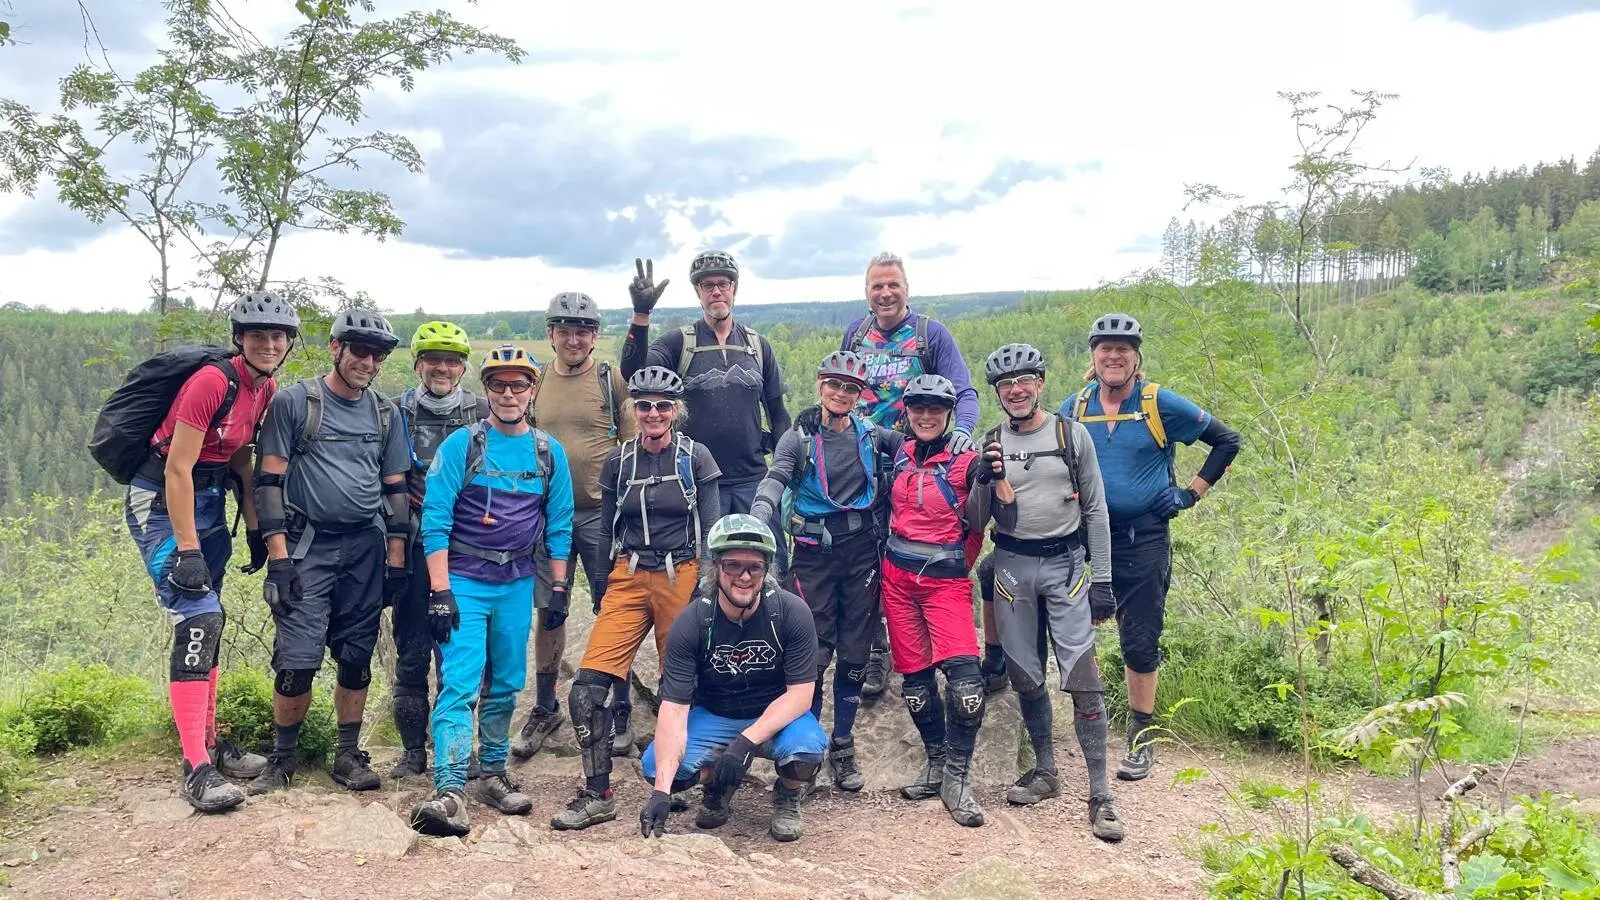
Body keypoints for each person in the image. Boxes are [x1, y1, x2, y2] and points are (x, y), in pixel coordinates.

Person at [122, 292, 298, 812]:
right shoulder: (211, 382)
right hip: (159, 501)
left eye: (278, 336)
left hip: (209, 499)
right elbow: (177, 467)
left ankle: (213, 743)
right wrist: (187, 548)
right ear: (239, 339)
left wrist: (253, 525)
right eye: (258, 335)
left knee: (212, 619)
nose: (269, 344)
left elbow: (241, 456)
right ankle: (196, 767)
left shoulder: (263, 387)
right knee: (197, 617)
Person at [1062, 313, 1240, 782]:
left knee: (1139, 640)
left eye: (1123, 349)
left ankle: (1142, 737)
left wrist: (1189, 493)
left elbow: (1226, 440)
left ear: (1136, 356)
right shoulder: (1076, 406)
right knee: (1078, 634)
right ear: (1094, 356)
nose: (1113, 356)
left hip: (1145, 539)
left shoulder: (1158, 402)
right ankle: (1091, 727)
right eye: (1105, 348)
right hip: (1086, 541)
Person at [410, 345, 576, 836]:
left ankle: (493, 771)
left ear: (532, 390)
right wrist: (440, 590)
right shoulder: (462, 445)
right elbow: (435, 518)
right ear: (486, 390)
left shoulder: (548, 452)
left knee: (505, 682)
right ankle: (450, 788)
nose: (508, 393)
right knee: (460, 683)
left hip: (517, 581)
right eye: (499, 384)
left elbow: (559, 523)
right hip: (463, 579)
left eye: (518, 384)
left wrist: (561, 586)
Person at [248, 308, 410, 795]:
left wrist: (396, 561)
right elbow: (269, 482)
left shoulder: (385, 413)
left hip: (365, 546)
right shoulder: (296, 403)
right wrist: (277, 560)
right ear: (335, 348)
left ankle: (346, 753)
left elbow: (396, 488)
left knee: (356, 657)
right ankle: (282, 759)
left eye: (377, 354)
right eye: (359, 350)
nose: (368, 361)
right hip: (307, 544)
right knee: (296, 661)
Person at [551, 366, 721, 831]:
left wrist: (707, 588)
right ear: (633, 410)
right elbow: (606, 528)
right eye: (643, 405)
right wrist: (605, 588)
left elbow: (712, 529)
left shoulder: (696, 457)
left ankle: (686, 785)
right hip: (628, 572)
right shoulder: (618, 461)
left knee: (684, 688)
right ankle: (597, 793)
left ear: (676, 411)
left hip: (681, 572)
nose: (653, 413)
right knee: (587, 690)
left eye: (662, 406)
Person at [970, 343, 1123, 843]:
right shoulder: (989, 441)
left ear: (1039, 383)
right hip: (1012, 565)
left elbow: (1096, 510)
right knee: (1025, 674)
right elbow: (975, 521)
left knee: (1083, 677)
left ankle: (1100, 794)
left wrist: (1101, 580)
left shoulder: (1069, 434)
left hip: (1065, 566)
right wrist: (980, 480)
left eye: (1025, 380)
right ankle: (1046, 771)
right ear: (997, 392)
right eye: (1005, 384)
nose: (1015, 389)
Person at [749, 351, 902, 792]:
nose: (840, 393)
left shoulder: (873, 436)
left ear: (860, 395)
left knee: (855, 650)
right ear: (819, 385)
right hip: (814, 556)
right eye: (833, 384)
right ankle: (806, 742)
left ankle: (843, 741)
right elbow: (775, 479)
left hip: (862, 553)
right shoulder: (798, 439)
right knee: (812, 653)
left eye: (850, 388)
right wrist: (760, 514)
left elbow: (918, 443)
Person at [838, 252, 981, 699]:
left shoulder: (929, 335)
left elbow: (964, 390)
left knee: (914, 552)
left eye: (893, 285)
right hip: (862, 463)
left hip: (915, 464)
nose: (885, 293)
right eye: (877, 286)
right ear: (867, 292)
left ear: (906, 288)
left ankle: (939, 647)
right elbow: (842, 387)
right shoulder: (855, 335)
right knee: (868, 556)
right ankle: (877, 651)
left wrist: (960, 432)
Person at [638, 515, 826, 843]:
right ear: (715, 569)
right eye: (732, 565)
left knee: (804, 754)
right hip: (715, 713)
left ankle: (788, 793)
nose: (744, 576)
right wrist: (661, 793)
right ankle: (719, 786)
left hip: (776, 713)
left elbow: (800, 695)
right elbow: (675, 708)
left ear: (767, 570)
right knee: (659, 768)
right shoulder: (693, 621)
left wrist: (745, 743)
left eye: (754, 566)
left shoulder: (791, 613)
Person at [511, 292, 639, 761]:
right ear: (550, 334)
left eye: (582, 330)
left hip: (605, 515)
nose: (572, 338)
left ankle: (620, 705)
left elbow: (631, 448)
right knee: (550, 610)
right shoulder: (537, 381)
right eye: (563, 330)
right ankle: (546, 707)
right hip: (549, 516)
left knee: (616, 608)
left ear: (594, 335)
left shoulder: (611, 380)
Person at [619, 253, 790, 571]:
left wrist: (781, 476)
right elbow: (634, 373)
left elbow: (778, 414)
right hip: (694, 481)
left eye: (723, 284)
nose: (716, 291)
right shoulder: (677, 343)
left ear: (734, 288)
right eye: (707, 285)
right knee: (702, 573)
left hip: (753, 480)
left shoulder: (757, 346)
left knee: (769, 566)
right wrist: (641, 315)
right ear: (698, 292)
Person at [878, 374, 989, 827]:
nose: (926, 416)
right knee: (917, 685)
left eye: (936, 409)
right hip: (897, 581)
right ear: (906, 411)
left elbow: (986, 514)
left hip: (945, 583)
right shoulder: (900, 453)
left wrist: (989, 473)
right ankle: (937, 764)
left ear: (948, 415)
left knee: (966, 688)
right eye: (918, 408)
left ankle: (958, 778)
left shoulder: (966, 461)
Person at [390, 320, 490, 780]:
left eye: (452, 360)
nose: (443, 368)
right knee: (412, 653)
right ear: (417, 364)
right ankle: (413, 753)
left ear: (463, 366)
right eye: (433, 359)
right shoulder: (394, 412)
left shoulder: (484, 413)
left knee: (461, 657)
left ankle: (459, 749)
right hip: (410, 545)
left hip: (466, 550)